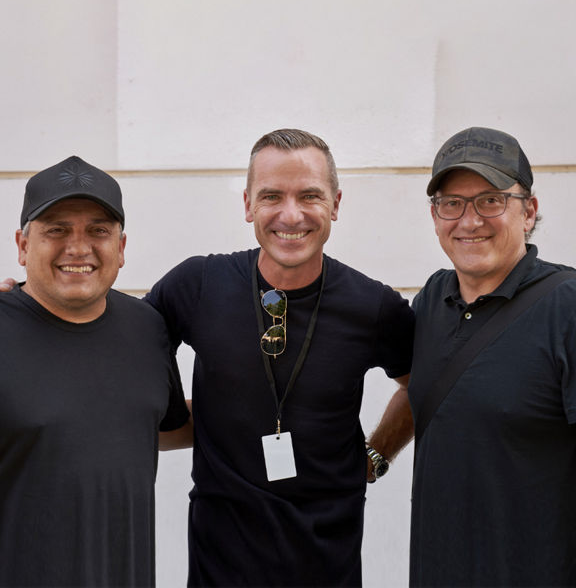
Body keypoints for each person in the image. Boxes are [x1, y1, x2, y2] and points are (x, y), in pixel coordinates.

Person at [147, 128, 415, 587]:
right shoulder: (196, 285)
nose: (291, 215)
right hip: (218, 567)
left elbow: (424, 383)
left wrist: (377, 454)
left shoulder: (374, 307)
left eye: (309, 195)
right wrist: (28, 310)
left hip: (329, 566)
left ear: (335, 204)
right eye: (272, 196)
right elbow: (108, 338)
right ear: (248, 204)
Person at [0, 156, 191, 588]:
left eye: (98, 231)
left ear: (121, 248)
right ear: (23, 245)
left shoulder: (147, 328)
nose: (78, 247)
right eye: (57, 229)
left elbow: (156, 425)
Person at [408, 126, 576, 588]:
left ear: (529, 212)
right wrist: (375, 453)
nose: (469, 220)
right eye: (451, 203)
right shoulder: (431, 299)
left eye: (490, 200)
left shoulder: (566, 307)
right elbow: (423, 391)